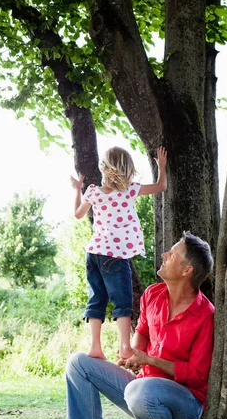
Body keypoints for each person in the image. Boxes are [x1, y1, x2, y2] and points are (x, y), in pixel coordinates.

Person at [56, 231, 214, 419]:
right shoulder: (152, 294)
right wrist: (131, 353)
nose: (164, 255)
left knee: (139, 391)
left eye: (172, 254)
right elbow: (142, 332)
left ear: (187, 271)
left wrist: (148, 360)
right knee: (79, 364)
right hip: (140, 391)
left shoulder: (205, 315)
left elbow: (196, 375)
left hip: (184, 402)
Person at [70, 146, 167, 360]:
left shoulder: (93, 191)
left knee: (96, 299)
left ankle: (95, 346)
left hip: (94, 253)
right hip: (115, 255)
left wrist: (78, 189)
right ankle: (124, 347)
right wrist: (161, 166)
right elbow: (161, 186)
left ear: (104, 168)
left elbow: (78, 214)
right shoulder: (130, 190)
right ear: (127, 169)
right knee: (122, 301)